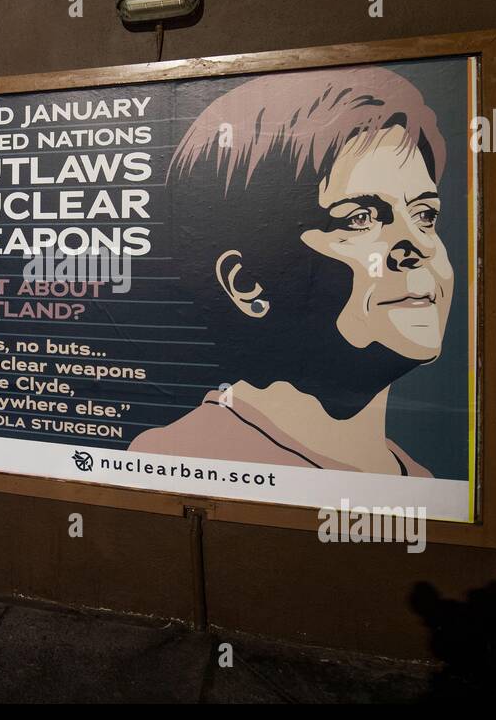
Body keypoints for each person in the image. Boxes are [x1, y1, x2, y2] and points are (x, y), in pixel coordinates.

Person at [128, 66, 455, 477]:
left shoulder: (417, 478)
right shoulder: (177, 459)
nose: (419, 246)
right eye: (359, 218)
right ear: (247, 283)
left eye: (425, 215)